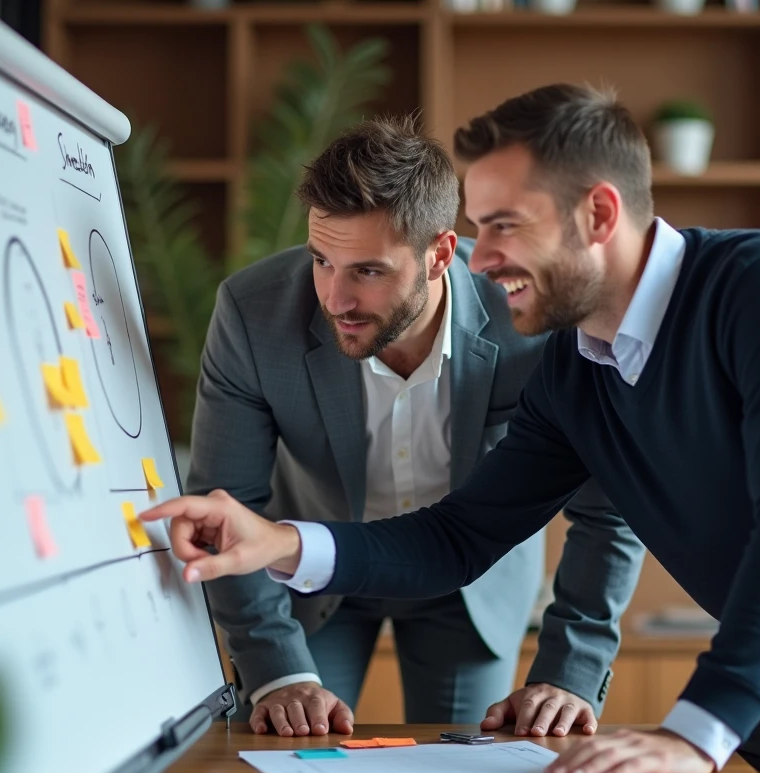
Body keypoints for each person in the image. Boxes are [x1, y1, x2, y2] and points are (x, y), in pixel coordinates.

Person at [145, 84, 760, 773]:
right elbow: (459, 535)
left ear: (598, 214)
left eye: (504, 225)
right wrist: (283, 543)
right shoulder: (576, 368)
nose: (481, 259)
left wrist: (698, 726)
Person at [184, 114, 645, 740]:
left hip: (468, 583)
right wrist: (275, 672)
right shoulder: (252, 314)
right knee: (289, 751)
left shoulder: (533, 323)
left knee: (461, 767)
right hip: (311, 575)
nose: (335, 298)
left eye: (368, 271)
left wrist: (572, 670)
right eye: (322, 260)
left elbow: (607, 510)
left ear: (441, 255)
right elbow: (226, 508)